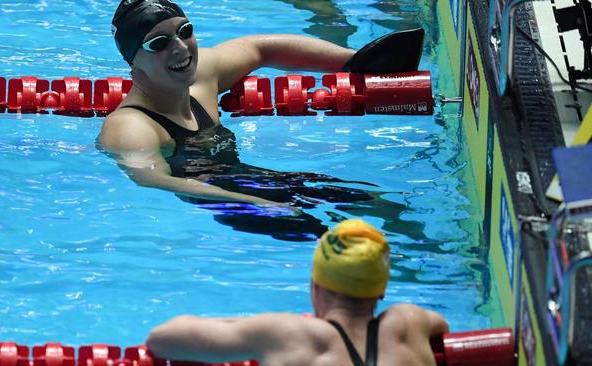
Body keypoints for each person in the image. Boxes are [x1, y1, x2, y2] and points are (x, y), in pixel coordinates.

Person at [99, 0, 428, 241]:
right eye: (159, 43)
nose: (181, 47)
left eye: (185, 31)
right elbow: (155, 180)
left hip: (251, 180)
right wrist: (251, 202)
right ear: (133, 61)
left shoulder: (201, 76)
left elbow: (260, 49)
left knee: (374, 203)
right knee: (340, 244)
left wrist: (354, 62)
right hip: (222, 201)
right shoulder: (131, 127)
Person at [146, 218, 449, 365]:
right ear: (380, 291)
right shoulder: (409, 322)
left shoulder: (288, 333)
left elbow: (162, 339)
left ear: (315, 285)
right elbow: (441, 327)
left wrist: (250, 326)